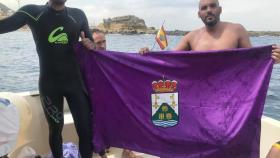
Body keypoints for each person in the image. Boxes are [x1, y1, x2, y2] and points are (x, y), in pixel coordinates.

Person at [0, 0, 106, 158]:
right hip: (50, 86)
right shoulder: (33, 12)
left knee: (86, 130)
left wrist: (90, 45)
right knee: (55, 130)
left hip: (75, 84)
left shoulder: (78, 15)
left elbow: (93, 46)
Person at [139, 0, 280, 63]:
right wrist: (148, 54)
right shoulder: (191, 37)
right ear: (199, 14)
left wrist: (272, 60)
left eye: (213, 6)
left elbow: (252, 62)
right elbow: (169, 60)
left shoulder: (237, 30)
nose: (209, 10)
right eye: (204, 8)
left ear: (220, 9)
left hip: (232, 96)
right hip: (201, 95)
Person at [91, 29, 142, 158]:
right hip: (94, 102)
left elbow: (130, 66)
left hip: (112, 100)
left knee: (128, 111)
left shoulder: (111, 57)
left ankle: (127, 150)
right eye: (98, 43)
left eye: (104, 41)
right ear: (90, 43)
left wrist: (143, 55)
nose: (102, 45)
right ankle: (103, 154)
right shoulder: (86, 60)